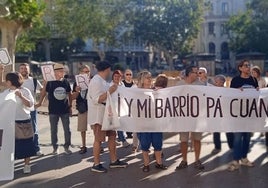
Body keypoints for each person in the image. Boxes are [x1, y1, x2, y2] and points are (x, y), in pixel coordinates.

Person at [87, 61, 128, 173]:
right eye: (109, 69)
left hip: (107, 115)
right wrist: (110, 91)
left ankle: (114, 160)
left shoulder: (102, 81)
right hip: (99, 116)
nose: (110, 72)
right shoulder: (96, 81)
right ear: (106, 69)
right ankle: (96, 164)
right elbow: (97, 99)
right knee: (98, 140)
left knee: (112, 136)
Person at [0, 70, 35, 174]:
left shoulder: (25, 91)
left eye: (7, 80)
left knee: (26, 144)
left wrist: (21, 96)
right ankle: (10, 166)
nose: (5, 82)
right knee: (9, 145)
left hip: (23, 121)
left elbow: (30, 104)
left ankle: (27, 165)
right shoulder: (6, 93)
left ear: (10, 82)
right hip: (9, 123)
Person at [227, 60, 258, 172]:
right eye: (246, 66)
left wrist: (258, 91)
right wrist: (236, 91)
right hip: (237, 114)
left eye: (249, 65)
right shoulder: (235, 80)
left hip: (249, 113)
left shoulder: (253, 80)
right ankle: (236, 160)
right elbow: (229, 95)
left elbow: (257, 97)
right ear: (240, 68)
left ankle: (244, 158)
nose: (248, 67)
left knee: (247, 137)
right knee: (238, 137)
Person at [36, 63, 72, 155]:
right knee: (53, 130)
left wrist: (70, 106)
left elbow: (69, 94)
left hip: (64, 109)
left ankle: (67, 147)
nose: (62, 73)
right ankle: (55, 148)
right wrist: (44, 85)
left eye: (63, 71)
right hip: (53, 110)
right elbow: (44, 93)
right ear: (55, 72)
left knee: (67, 130)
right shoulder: (50, 82)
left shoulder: (66, 82)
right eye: (60, 71)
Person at [137, 70, 168, 172]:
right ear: (142, 80)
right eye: (147, 78)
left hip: (156, 123)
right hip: (143, 123)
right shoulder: (136, 92)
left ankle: (159, 163)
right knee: (145, 145)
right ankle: (146, 164)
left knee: (157, 143)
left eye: (151, 77)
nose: (150, 79)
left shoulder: (156, 91)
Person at [176, 65, 205, 170]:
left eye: (198, 72)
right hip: (183, 117)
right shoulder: (179, 85)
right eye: (195, 72)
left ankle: (197, 160)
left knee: (197, 139)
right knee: (183, 140)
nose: (197, 74)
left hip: (197, 117)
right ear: (189, 73)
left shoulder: (201, 85)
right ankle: (184, 160)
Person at [18, 63, 44, 156]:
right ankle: (20, 151)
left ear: (29, 70)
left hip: (31, 109)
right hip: (18, 110)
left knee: (34, 130)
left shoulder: (34, 81)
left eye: (26, 68)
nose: (24, 70)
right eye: (22, 68)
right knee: (19, 130)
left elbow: (42, 90)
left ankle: (36, 149)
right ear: (19, 70)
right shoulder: (16, 81)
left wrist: (40, 102)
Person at [211, 74, 233, 154]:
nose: (215, 83)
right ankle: (217, 147)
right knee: (216, 130)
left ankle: (232, 146)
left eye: (217, 81)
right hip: (216, 114)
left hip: (226, 114)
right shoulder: (212, 91)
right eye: (215, 81)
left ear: (222, 82)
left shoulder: (228, 91)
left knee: (229, 130)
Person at [72, 65, 91, 154]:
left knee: (95, 128)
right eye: (84, 72)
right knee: (82, 128)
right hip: (82, 107)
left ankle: (99, 145)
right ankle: (83, 145)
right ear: (80, 73)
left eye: (88, 71)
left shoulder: (93, 81)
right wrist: (77, 91)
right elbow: (73, 97)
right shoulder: (76, 83)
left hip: (92, 107)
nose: (86, 73)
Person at [110, 70, 130, 148]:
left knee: (120, 124)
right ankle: (123, 140)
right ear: (113, 77)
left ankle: (120, 139)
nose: (117, 78)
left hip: (121, 107)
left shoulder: (122, 85)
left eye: (118, 76)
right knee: (116, 125)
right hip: (113, 107)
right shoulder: (110, 85)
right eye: (115, 76)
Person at [122, 69, 136, 139]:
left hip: (132, 103)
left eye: (130, 74)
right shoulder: (121, 84)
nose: (129, 76)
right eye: (127, 74)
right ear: (124, 75)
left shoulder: (134, 84)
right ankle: (126, 133)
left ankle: (130, 132)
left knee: (131, 118)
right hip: (124, 103)